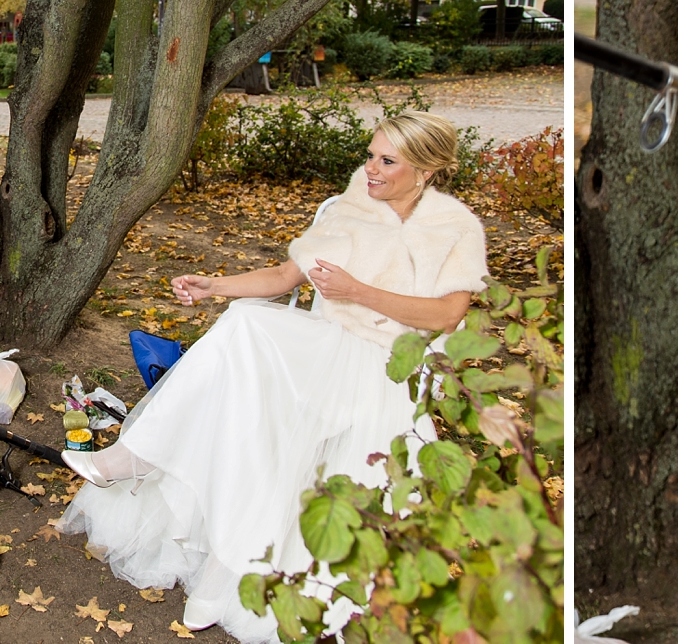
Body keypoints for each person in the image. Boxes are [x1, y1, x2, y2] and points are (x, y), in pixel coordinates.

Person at [57, 111, 489, 643]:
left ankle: (156, 478)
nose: (370, 169)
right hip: (321, 348)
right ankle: (209, 552)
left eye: (386, 161)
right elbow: (286, 277)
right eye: (369, 154)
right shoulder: (348, 206)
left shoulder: (453, 229)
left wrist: (357, 292)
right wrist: (213, 285)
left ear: (424, 171)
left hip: (383, 366)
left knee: (257, 348)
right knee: (244, 325)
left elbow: (447, 316)